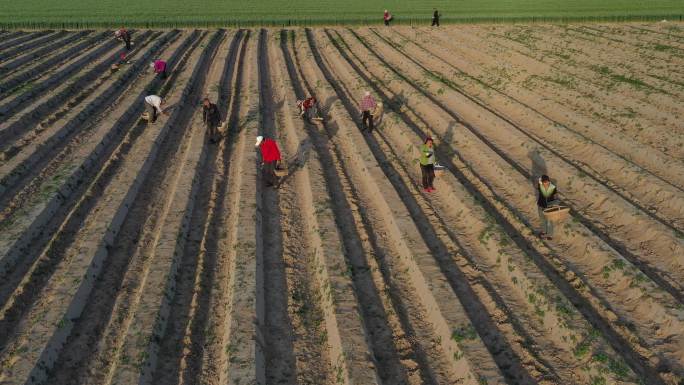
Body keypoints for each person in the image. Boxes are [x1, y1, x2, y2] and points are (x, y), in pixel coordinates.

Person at [537, 174, 559, 240]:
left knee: (549, 221)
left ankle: (550, 235)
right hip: (541, 205)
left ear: (549, 181)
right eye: (544, 182)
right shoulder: (540, 186)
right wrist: (540, 180)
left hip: (549, 206)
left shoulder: (552, 188)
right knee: (542, 219)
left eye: (546, 182)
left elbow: (555, 196)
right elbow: (538, 181)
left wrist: (555, 204)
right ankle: (544, 231)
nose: (545, 183)